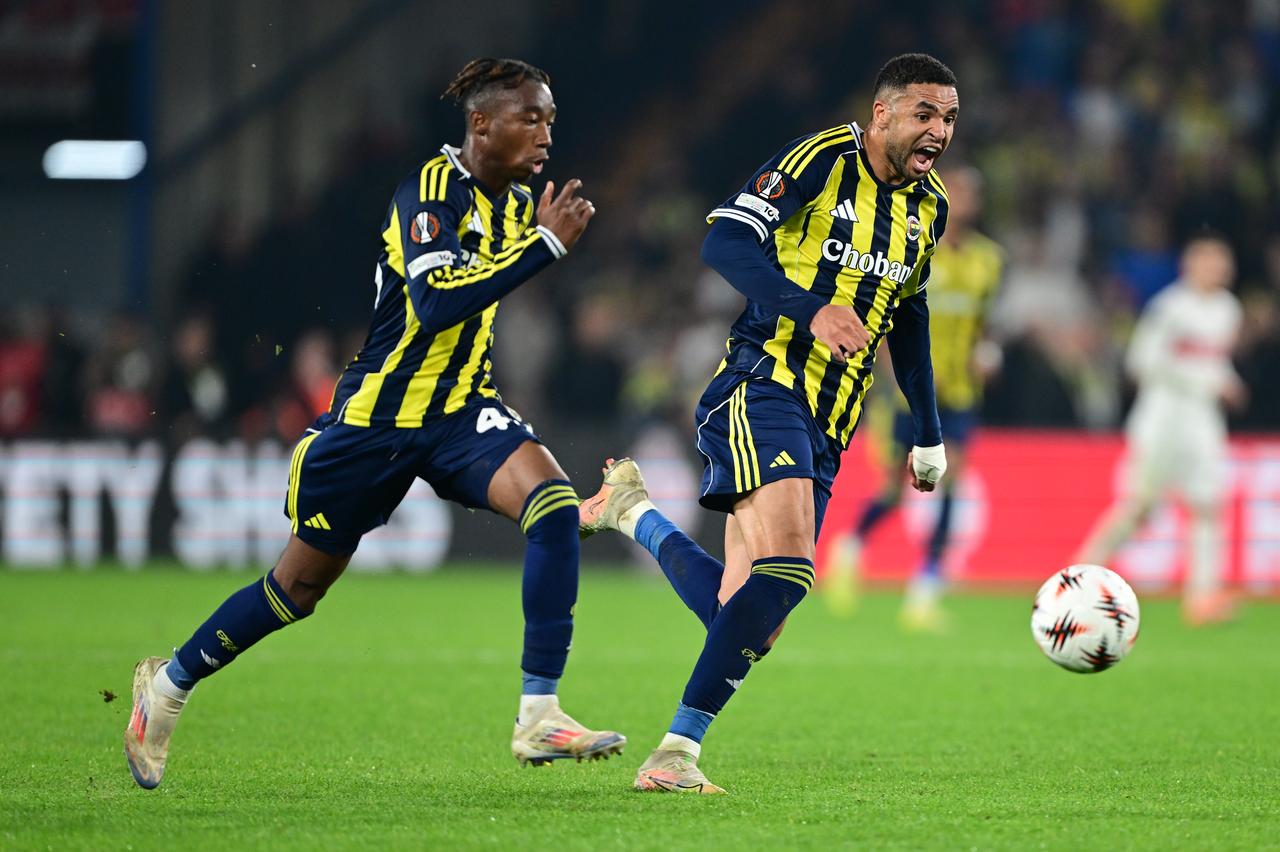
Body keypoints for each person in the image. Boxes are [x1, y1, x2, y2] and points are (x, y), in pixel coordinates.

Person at [124, 58, 623, 790]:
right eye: (532, 118)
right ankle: (166, 687)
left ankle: (539, 712)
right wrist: (543, 248)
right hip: (377, 420)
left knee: (551, 505)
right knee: (297, 591)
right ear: (481, 123)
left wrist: (538, 241)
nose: (547, 133)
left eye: (550, 118)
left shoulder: (517, 202)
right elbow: (437, 303)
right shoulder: (427, 193)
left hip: (458, 410)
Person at [580, 53, 958, 794]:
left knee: (753, 612)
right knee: (788, 573)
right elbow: (723, 240)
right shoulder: (821, 160)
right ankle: (673, 756)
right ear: (882, 112)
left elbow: (908, 318)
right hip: (763, 386)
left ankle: (635, 513)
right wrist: (810, 307)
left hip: (833, 421)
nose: (939, 131)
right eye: (925, 113)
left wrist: (929, 430)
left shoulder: (930, 206)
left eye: (948, 117)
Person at [822, 166, 1003, 630]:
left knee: (952, 481)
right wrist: (887, 374)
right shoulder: (916, 245)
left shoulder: (989, 260)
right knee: (893, 490)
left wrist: (985, 354)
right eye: (955, 191)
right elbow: (888, 310)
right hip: (908, 394)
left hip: (960, 393)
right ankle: (851, 548)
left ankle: (924, 592)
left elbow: (983, 322)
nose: (960, 200)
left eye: (968, 193)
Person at [1076, 234, 1245, 626]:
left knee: (1208, 504)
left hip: (1203, 421)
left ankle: (1202, 597)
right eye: (1210, 261)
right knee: (1139, 506)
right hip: (1162, 416)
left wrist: (1228, 382)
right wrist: (1202, 382)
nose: (1218, 269)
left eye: (1222, 262)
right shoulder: (1171, 308)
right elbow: (1141, 362)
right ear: (1191, 265)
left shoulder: (1227, 309)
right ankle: (1080, 572)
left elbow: (1215, 363)